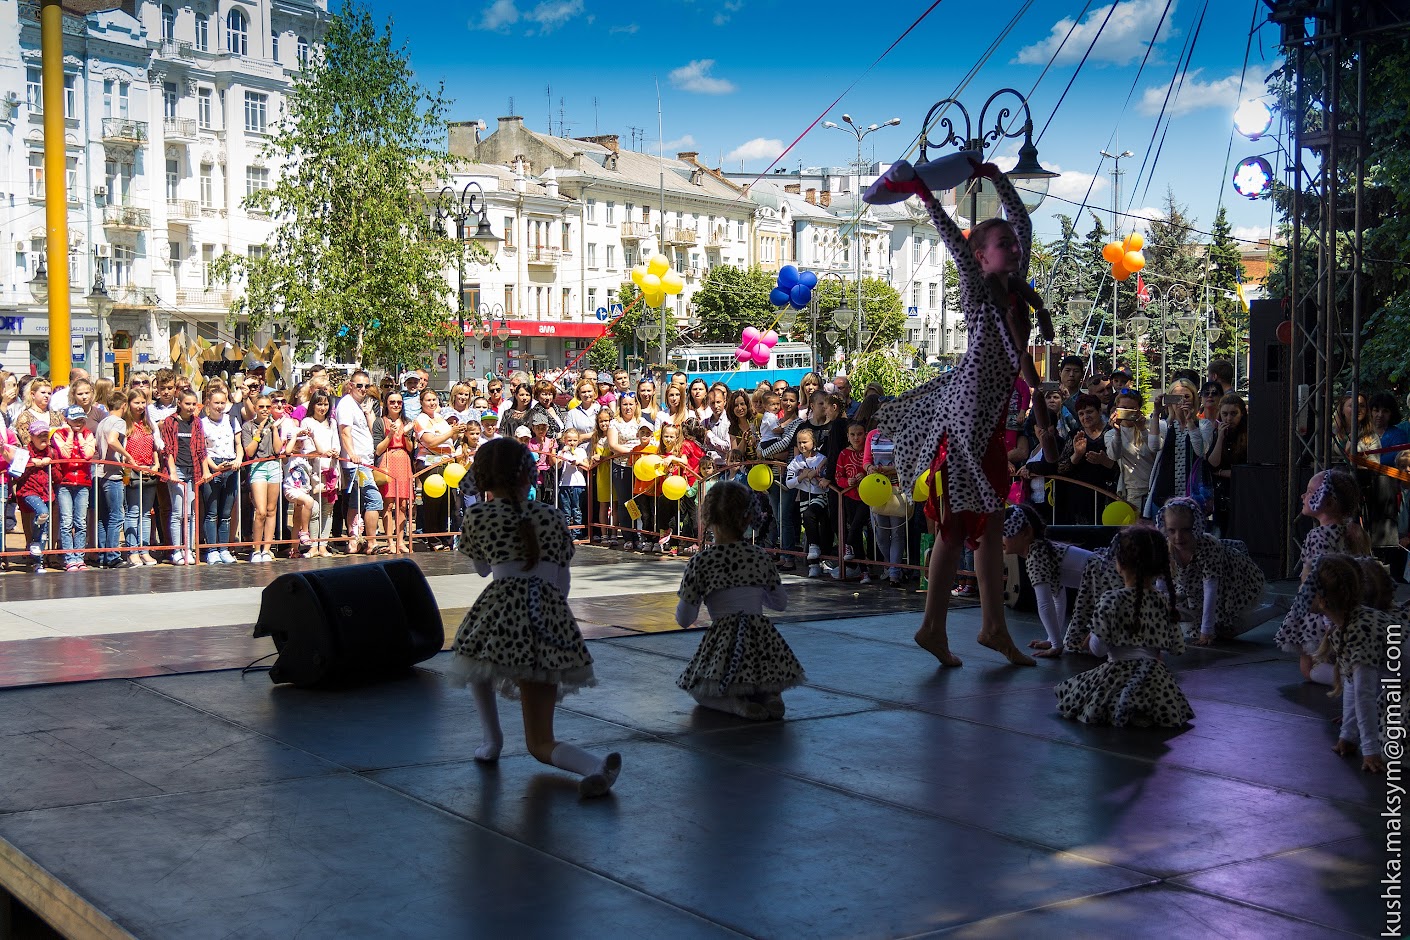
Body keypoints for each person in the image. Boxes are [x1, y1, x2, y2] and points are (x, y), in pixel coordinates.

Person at [871, 157, 1039, 667]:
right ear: (979, 257)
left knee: (978, 525)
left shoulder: (1014, 285)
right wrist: (923, 194)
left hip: (983, 416)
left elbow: (1024, 223)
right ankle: (955, 627)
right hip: (969, 417)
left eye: (1012, 244)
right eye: (1000, 244)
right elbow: (951, 241)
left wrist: (994, 177)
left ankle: (975, 627)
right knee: (968, 522)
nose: (1012, 247)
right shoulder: (977, 287)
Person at [447, 437, 621, 797]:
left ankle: (491, 739)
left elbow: (482, 570)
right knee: (540, 739)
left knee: (474, 656)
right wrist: (551, 612)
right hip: (549, 617)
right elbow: (562, 579)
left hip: (502, 613)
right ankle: (594, 766)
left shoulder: (478, 515)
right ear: (530, 475)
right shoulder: (554, 517)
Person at [674, 480, 805, 720]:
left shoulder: (701, 562)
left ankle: (735, 704)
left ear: (707, 517)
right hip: (763, 645)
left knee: (698, 689)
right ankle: (771, 695)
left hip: (724, 643)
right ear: (747, 518)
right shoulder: (759, 556)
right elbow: (780, 604)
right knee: (762, 679)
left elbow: (685, 618)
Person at [1054, 527, 1194, 727]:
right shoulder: (1163, 601)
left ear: (1119, 564)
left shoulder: (1111, 599)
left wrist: (1094, 634)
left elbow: (1098, 649)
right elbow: (1177, 648)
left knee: (1071, 692)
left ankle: (1124, 708)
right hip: (1157, 681)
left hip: (1116, 674)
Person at [1274, 469, 1371, 684]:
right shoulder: (1351, 532)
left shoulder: (1318, 535)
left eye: (1309, 492)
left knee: (1308, 668)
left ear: (1328, 503)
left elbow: (1320, 580)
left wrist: (1327, 620)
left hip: (1323, 612)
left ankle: (1356, 683)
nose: (1303, 496)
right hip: (1344, 610)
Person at [1309, 554, 1394, 773]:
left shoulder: (1360, 629)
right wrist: (1347, 735)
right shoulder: (1347, 625)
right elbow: (1350, 682)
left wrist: (1370, 749)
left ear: (1323, 600)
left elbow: (1363, 693)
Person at [1157, 497, 1273, 645]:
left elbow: (1211, 588)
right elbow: (1161, 588)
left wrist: (1206, 630)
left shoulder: (1208, 546)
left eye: (1185, 530)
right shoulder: (1164, 549)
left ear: (1195, 526)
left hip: (1230, 578)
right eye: (1171, 531)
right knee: (1191, 626)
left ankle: (1277, 607)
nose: (1178, 537)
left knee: (1224, 630)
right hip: (1193, 585)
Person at [1001, 504, 1096, 659]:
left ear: (1026, 533)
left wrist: (1056, 645)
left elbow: (1045, 603)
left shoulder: (1037, 557)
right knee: (1076, 639)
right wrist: (1053, 640)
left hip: (1107, 581)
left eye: (1005, 533)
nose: (1001, 539)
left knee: (1079, 640)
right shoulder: (1042, 550)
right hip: (1105, 580)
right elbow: (1058, 597)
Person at [1143, 377, 1213, 519]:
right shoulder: (1164, 425)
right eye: (1177, 397)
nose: (1182, 401)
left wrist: (1189, 422)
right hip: (1165, 492)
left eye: (1186, 397)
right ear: (1170, 401)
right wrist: (1156, 414)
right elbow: (1154, 446)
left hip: (1193, 492)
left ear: (1194, 399)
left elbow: (1201, 451)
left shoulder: (1204, 425)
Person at [1055, 393, 1119, 525]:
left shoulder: (1112, 432)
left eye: (1090, 412)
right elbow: (1060, 468)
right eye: (1081, 414)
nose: (1086, 417)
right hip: (1079, 500)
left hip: (1107, 497)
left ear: (1099, 411)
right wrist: (1077, 455)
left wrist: (1104, 461)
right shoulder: (1075, 435)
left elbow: (1123, 468)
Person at [337, 370, 382, 555]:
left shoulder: (358, 405)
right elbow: (344, 431)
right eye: (359, 385)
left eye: (366, 386)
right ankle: (371, 542)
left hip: (365, 461)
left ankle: (354, 542)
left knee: (356, 503)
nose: (363, 389)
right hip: (357, 464)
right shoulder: (346, 404)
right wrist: (352, 453)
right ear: (350, 385)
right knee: (374, 499)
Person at [161, 390, 204, 566]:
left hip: (193, 470)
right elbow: (168, 449)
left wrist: (205, 470)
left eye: (194, 404)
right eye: (188, 404)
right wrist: (171, 471)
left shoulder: (197, 422)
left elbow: (201, 449)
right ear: (179, 403)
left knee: (191, 513)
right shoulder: (170, 422)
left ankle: (189, 548)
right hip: (177, 469)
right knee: (179, 511)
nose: (191, 407)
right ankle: (177, 550)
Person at [199, 386, 241, 565]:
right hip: (213, 464)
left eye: (223, 402)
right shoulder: (202, 423)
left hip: (231, 466)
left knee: (225, 513)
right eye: (216, 402)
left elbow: (238, 444)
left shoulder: (232, 420)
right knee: (211, 512)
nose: (219, 406)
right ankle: (212, 550)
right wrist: (214, 466)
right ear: (208, 403)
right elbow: (202, 449)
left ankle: (224, 549)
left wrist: (238, 458)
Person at [416, 387, 460, 550]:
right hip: (429, 463)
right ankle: (432, 539)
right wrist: (451, 433)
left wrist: (456, 432)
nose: (432, 403)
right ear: (421, 402)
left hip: (446, 462)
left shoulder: (440, 418)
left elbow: (448, 439)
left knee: (445, 502)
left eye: (434, 399)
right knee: (433, 502)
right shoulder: (420, 419)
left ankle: (443, 537)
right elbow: (431, 442)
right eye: (428, 400)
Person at [373, 390, 415, 554]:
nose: (396, 405)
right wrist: (390, 434)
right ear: (386, 404)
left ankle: (400, 540)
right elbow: (378, 449)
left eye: (399, 402)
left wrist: (405, 435)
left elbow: (410, 448)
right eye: (392, 402)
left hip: (404, 461)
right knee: (388, 504)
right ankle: (390, 541)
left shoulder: (407, 422)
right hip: (388, 461)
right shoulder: (379, 422)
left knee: (403, 504)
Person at [1105, 388, 1160, 512]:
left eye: (1132, 409)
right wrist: (1117, 432)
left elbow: (1156, 450)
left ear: (1139, 409)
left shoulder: (1152, 426)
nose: (1128, 413)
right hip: (1132, 492)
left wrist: (1143, 430)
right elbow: (1114, 455)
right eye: (1123, 408)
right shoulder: (1110, 434)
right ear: (1116, 409)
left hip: (1155, 488)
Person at [299, 392, 340, 557]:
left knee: (328, 508)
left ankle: (323, 545)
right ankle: (313, 545)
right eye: (319, 404)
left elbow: (336, 442)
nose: (323, 408)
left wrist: (335, 451)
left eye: (325, 404)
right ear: (313, 405)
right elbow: (306, 447)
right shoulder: (307, 422)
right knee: (314, 508)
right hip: (314, 470)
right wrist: (321, 452)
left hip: (331, 469)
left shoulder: (332, 422)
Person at [1204, 393, 1248, 536]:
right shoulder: (1217, 434)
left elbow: (1247, 471)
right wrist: (1221, 437)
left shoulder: (1248, 435)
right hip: (1220, 495)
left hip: (1241, 493)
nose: (1229, 418)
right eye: (1225, 414)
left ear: (1242, 414)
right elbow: (1213, 464)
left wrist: (1223, 473)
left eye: (1234, 414)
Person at [16, 422, 54, 573]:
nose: (43, 438)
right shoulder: (24, 451)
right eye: (40, 435)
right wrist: (31, 462)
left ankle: (38, 562)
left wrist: (51, 462)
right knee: (43, 512)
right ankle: (33, 543)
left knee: (44, 525)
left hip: (45, 491)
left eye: (46, 434)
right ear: (32, 437)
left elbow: (56, 473)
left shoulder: (50, 451)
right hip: (28, 491)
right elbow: (16, 472)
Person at [557, 427, 589, 540]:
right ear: (564, 441)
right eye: (569, 440)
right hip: (564, 484)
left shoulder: (581, 451)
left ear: (578, 441)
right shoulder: (562, 452)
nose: (572, 443)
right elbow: (557, 465)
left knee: (577, 510)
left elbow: (588, 466)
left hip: (579, 484)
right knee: (565, 511)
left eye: (574, 440)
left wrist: (579, 462)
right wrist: (562, 452)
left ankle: (576, 533)